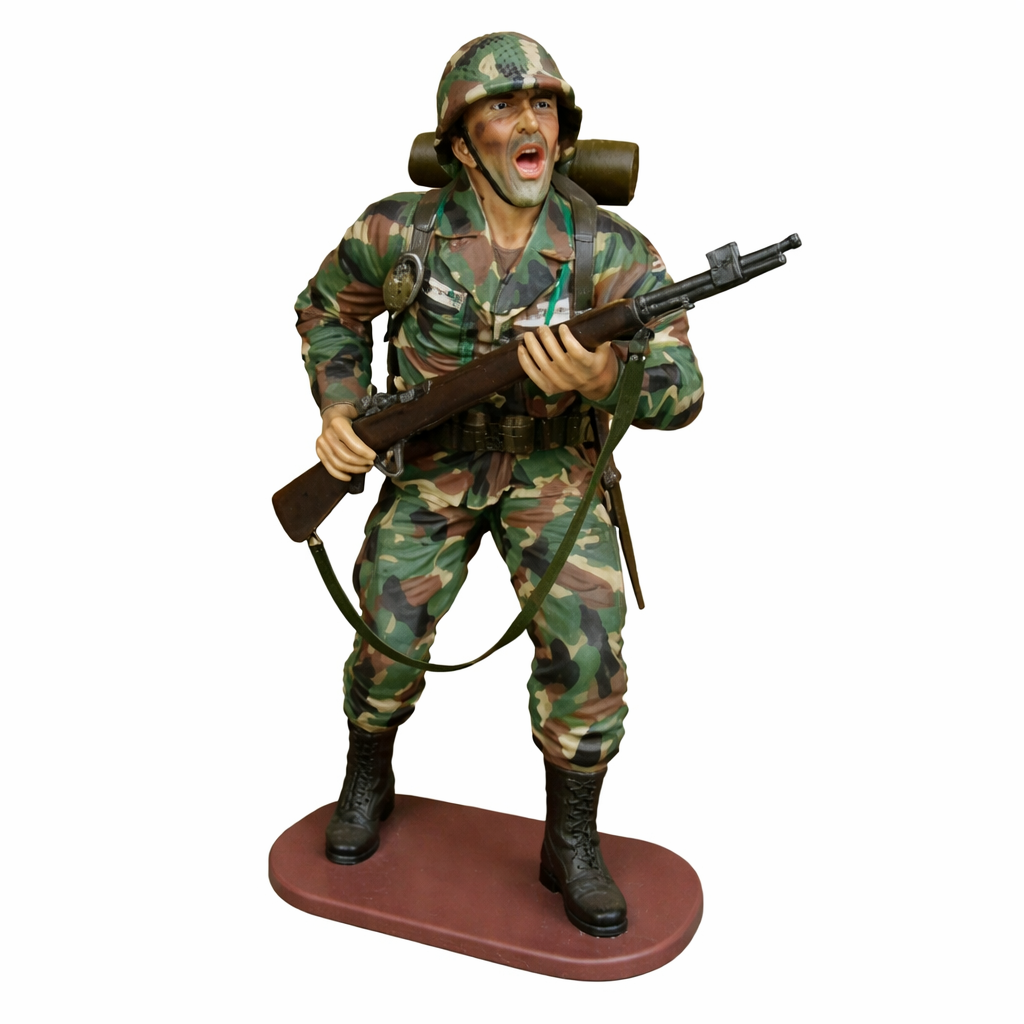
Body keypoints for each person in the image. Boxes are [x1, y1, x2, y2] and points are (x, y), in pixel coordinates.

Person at [294, 32, 703, 938]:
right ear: (458, 139)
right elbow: (327, 309)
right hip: (431, 465)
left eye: (543, 106)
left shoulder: (608, 250)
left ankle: (572, 838)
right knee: (386, 632)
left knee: (588, 649)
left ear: (564, 131)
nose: (528, 124)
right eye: (503, 107)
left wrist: (605, 380)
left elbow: (683, 389)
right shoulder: (398, 231)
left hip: (556, 471)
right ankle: (368, 776)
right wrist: (342, 407)